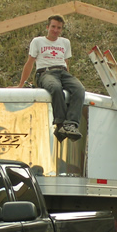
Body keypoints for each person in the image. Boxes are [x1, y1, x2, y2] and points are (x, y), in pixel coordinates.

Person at [12, 14, 85, 142]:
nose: (56, 30)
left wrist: (68, 81)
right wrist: (21, 84)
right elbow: (29, 63)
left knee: (79, 89)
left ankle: (71, 124)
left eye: (59, 28)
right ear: (47, 27)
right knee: (55, 88)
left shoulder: (65, 42)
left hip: (63, 72)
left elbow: (66, 62)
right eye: (53, 27)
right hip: (45, 72)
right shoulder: (38, 41)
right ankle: (61, 123)